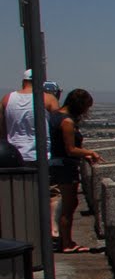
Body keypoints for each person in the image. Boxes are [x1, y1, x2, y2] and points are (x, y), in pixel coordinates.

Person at [51, 88, 100, 252]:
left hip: (59, 164)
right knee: (69, 204)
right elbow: (70, 149)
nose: (87, 111)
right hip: (65, 166)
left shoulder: (55, 116)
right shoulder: (67, 122)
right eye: (86, 107)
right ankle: (67, 243)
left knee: (68, 203)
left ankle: (64, 240)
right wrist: (89, 152)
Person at [3, 68, 58, 162]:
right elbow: (57, 126)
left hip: (14, 155)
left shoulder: (7, 99)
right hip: (41, 155)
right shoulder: (48, 99)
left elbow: (2, 129)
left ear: (23, 81)